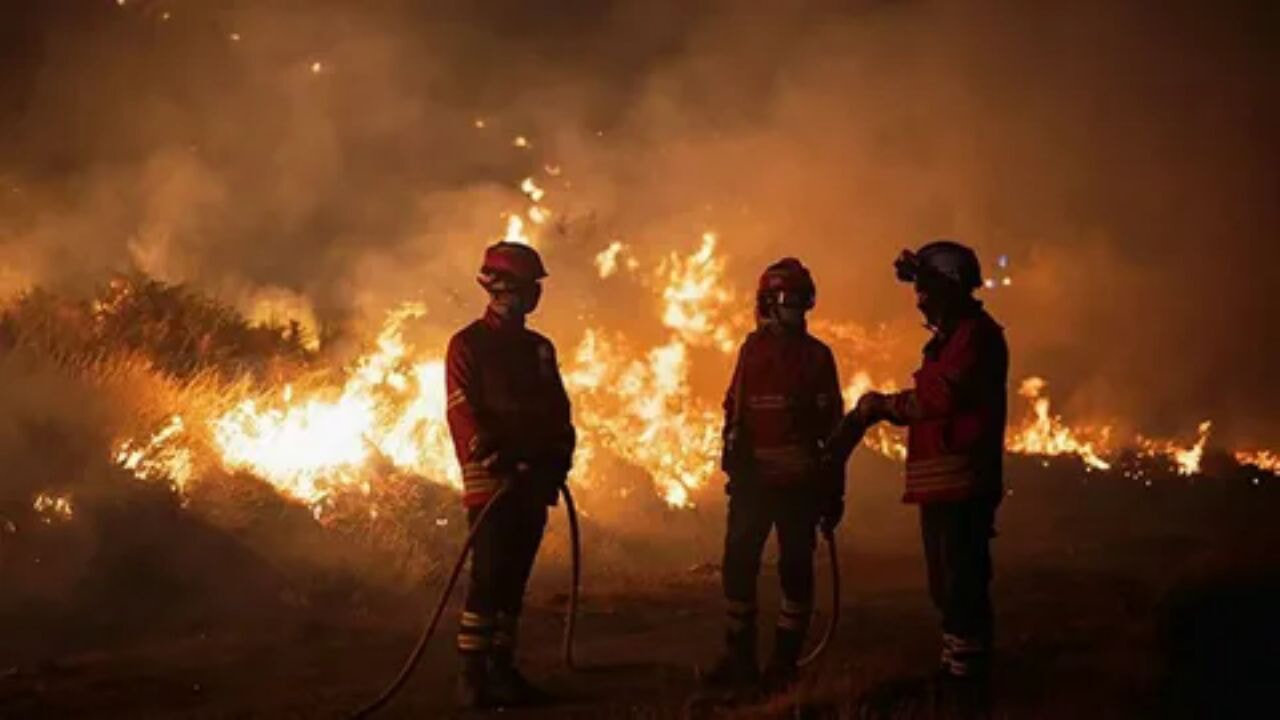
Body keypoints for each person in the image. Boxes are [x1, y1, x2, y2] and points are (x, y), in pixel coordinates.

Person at [845, 240, 1008, 682]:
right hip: (941, 486)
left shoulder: (976, 336)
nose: (921, 299)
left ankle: (967, 688)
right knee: (945, 589)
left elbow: (940, 398)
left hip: (964, 487)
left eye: (926, 287)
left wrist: (883, 406)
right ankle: (955, 664)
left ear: (950, 286)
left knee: (963, 589)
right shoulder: (949, 339)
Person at [445, 241, 576, 709]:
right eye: (528, 286)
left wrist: (558, 456)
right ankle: (473, 678)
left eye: (536, 287)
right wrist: (496, 459)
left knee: (515, 581)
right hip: (493, 482)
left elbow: (559, 410)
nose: (534, 295)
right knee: (490, 577)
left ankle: (503, 671)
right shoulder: (469, 345)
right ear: (501, 288)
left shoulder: (539, 349)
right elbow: (463, 411)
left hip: (534, 479)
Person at [705, 257, 845, 692]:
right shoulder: (751, 351)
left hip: (799, 487)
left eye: (803, 302)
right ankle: (739, 657)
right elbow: (736, 405)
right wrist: (731, 447)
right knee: (738, 564)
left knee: (796, 569)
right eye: (788, 300)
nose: (796, 310)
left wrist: (831, 490)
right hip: (753, 484)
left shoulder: (817, 357)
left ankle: (785, 663)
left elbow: (833, 430)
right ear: (768, 302)